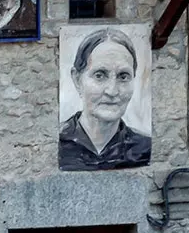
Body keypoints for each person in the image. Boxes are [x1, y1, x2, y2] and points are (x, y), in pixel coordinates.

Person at [59, 28, 151, 171]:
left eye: (123, 76)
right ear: (77, 80)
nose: (112, 91)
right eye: (99, 75)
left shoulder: (143, 146)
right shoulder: (58, 141)